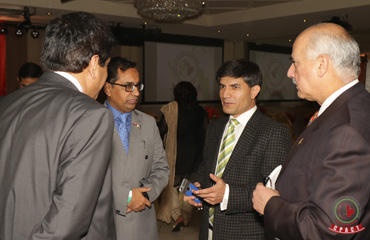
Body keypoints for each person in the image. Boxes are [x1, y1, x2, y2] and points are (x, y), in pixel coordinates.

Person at [0, 12, 117, 239]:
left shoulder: (6, 103)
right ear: (94, 64)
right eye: (106, 67)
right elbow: (67, 221)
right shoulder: (90, 115)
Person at [252, 23, 370, 240]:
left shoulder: (347, 129)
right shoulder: (344, 110)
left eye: (295, 63)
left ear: (321, 64)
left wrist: (270, 205)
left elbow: (326, 230)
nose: (289, 73)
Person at [185, 59, 292, 239]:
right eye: (222, 87)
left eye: (234, 87)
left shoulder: (273, 132)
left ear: (254, 91)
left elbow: (275, 190)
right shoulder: (215, 127)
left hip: (245, 233)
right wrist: (196, 188)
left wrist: (227, 194)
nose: (225, 94)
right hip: (208, 230)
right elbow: (206, 168)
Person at [103, 57, 170, 240]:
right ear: (108, 88)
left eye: (137, 86)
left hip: (142, 223)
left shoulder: (148, 123)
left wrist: (143, 195)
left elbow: (161, 168)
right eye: (128, 86)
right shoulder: (92, 123)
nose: (135, 93)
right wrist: (125, 197)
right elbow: (84, 178)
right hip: (106, 222)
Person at [157, 81, 209, 231]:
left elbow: (161, 130)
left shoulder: (170, 109)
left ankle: (177, 215)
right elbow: (207, 132)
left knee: (172, 185)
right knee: (189, 186)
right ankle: (185, 218)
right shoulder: (201, 111)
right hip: (195, 154)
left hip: (175, 154)